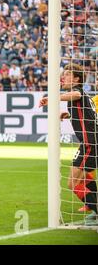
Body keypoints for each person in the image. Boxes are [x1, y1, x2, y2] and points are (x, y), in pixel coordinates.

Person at [39, 64, 97, 226]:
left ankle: (96, 209)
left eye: (67, 74)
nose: (63, 77)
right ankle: (93, 207)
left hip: (90, 143)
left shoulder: (78, 91)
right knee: (83, 176)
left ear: (77, 78)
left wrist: (52, 97)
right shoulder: (80, 97)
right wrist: (69, 113)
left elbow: (76, 94)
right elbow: (87, 113)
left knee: (73, 182)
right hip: (88, 143)